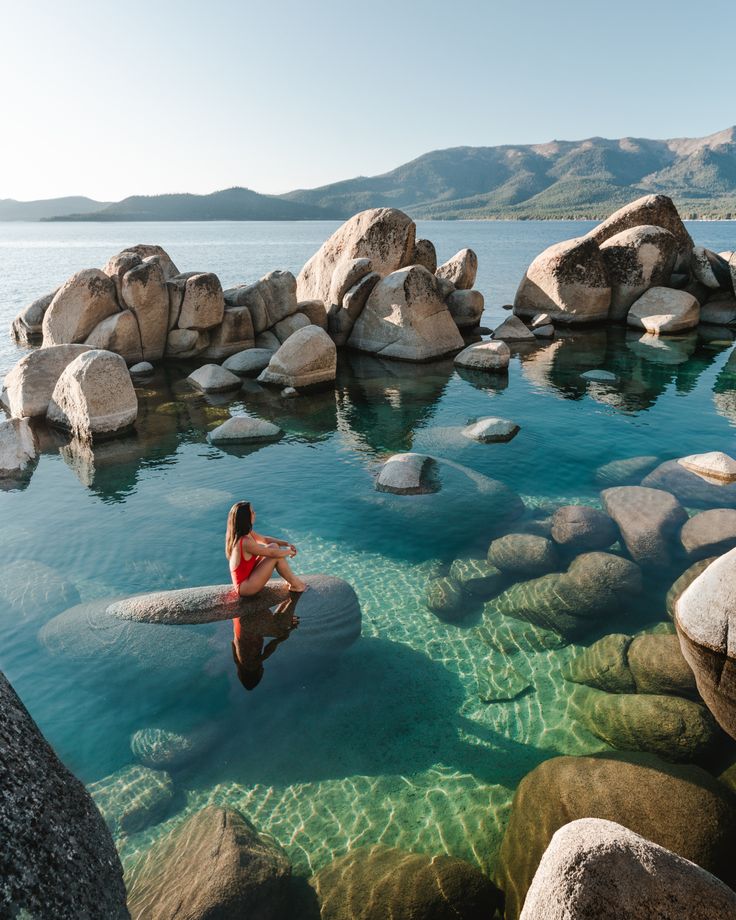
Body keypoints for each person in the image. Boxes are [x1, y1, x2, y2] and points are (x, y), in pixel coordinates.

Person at [226, 500, 307, 596]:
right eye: (252, 512)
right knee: (276, 556)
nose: (254, 513)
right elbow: (272, 554)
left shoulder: (246, 533)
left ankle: (290, 581)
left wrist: (285, 544)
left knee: (274, 546)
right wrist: (290, 552)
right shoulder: (245, 542)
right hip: (245, 588)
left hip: (249, 576)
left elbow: (265, 540)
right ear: (246, 518)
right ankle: (297, 586)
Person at [231, 594, 301, 691]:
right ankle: (286, 610)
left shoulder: (251, 666)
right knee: (273, 629)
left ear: (256, 675)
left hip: (249, 623)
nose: (263, 671)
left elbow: (270, 648)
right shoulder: (237, 661)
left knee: (281, 631)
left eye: (261, 674)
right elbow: (232, 643)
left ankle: (293, 595)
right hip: (237, 617)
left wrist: (281, 639)